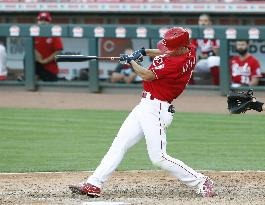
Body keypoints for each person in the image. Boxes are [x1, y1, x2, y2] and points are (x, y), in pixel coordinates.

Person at [69, 27, 216, 198]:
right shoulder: (189, 50)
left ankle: (201, 181)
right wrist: (143, 52)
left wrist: (131, 61)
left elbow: (146, 74)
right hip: (145, 106)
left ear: (181, 48)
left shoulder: (175, 63)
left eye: (170, 48)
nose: (166, 50)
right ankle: (94, 183)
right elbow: (162, 51)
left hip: (157, 110)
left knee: (158, 158)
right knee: (119, 144)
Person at [191, 14, 220, 85]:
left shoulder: (214, 33)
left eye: (205, 21)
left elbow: (218, 53)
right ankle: (191, 86)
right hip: (203, 62)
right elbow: (192, 51)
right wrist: (197, 56)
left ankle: (217, 85)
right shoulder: (196, 34)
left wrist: (205, 56)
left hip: (217, 62)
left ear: (210, 23)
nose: (203, 23)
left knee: (213, 59)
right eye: (201, 21)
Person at [34, 12, 63, 81]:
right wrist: (35, 52)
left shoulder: (54, 34)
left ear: (49, 22)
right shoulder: (34, 33)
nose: (43, 22)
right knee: (27, 57)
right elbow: (30, 47)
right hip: (38, 66)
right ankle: (28, 78)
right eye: (41, 20)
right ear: (37, 21)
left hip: (50, 69)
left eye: (46, 20)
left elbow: (58, 51)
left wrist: (45, 61)